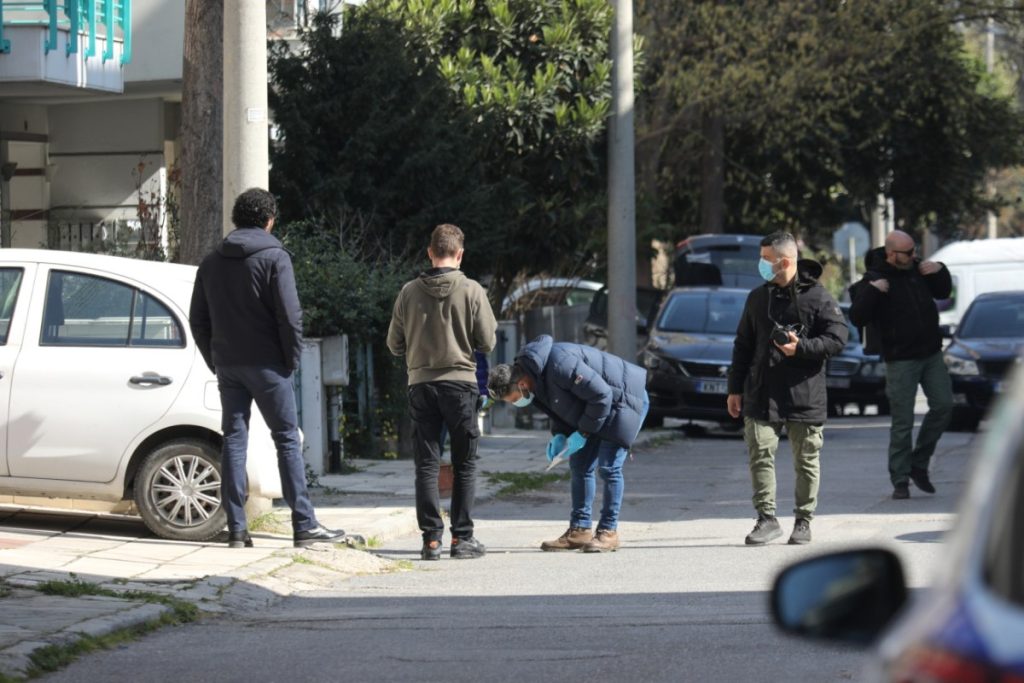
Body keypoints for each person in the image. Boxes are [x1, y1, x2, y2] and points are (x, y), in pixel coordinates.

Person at [189, 188, 345, 549]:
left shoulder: (211, 262)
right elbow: (291, 317)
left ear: (236, 218)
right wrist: (289, 359)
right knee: (287, 440)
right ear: (270, 220)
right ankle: (303, 524)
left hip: (229, 364)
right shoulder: (275, 257)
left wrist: (215, 358)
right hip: (269, 365)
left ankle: (237, 528)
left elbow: (198, 319)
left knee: (234, 440)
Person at [727, 231, 848, 546]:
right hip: (761, 392)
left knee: (806, 460)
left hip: (804, 393)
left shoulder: (818, 297)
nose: (761, 264)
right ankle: (766, 519)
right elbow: (742, 345)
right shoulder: (757, 297)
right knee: (760, 454)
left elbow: (838, 338)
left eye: (766, 259)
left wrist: (803, 347)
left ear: (784, 261)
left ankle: (803, 521)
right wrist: (734, 388)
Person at [387, 224, 497, 561]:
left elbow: (394, 344)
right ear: (459, 254)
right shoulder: (472, 290)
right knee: (464, 464)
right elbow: (488, 342)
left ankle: (430, 540)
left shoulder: (408, 292)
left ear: (430, 253)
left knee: (427, 464)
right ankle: (461, 539)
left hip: (421, 385)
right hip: (461, 384)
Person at [487, 334, 649, 553]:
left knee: (609, 467)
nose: (518, 403)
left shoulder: (559, 364)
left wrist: (582, 433)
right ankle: (580, 531)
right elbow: (561, 409)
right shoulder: (534, 379)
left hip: (624, 400)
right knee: (580, 466)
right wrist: (560, 436)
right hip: (594, 409)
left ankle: (608, 532)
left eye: (515, 399)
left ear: (522, 383)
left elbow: (602, 396)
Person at [848, 230, 953, 500]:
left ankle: (919, 463)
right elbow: (858, 316)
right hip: (901, 360)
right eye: (908, 252)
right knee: (903, 422)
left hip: (930, 354)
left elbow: (943, 290)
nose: (914, 256)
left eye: (914, 250)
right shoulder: (874, 279)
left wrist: (940, 270)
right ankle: (900, 478)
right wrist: (873, 291)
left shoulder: (919, 270)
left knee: (943, 405)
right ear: (891, 254)